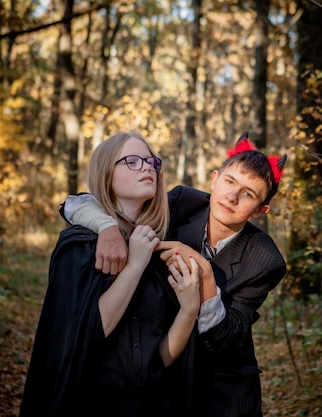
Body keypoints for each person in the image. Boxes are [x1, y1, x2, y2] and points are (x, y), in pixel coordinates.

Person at [63, 132, 288, 417]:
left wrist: (206, 278)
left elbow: (223, 339)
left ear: (260, 210)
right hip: (162, 369)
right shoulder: (182, 203)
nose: (232, 197)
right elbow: (76, 203)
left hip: (220, 388)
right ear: (215, 179)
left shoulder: (266, 260)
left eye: (248, 194)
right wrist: (106, 226)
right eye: (230, 182)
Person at [19, 132, 201, 417]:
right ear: (106, 174)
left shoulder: (157, 245)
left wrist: (189, 310)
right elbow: (86, 336)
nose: (146, 168)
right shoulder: (79, 247)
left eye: (151, 162)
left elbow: (158, 359)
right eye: (131, 161)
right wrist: (134, 265)